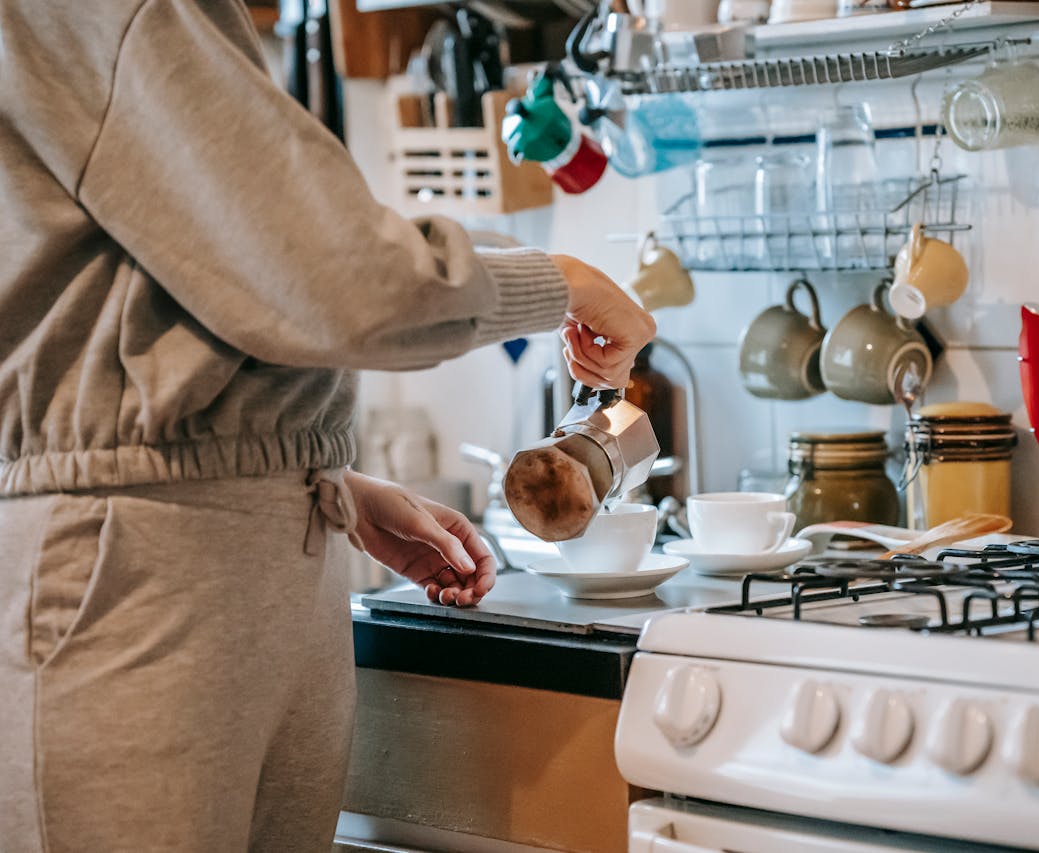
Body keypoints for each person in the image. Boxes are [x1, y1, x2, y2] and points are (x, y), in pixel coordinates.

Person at [0, 1, 656, 851]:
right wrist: (558, 281)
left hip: (236, 565)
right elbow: (335, 273)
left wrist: (307, 483)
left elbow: (183, 284)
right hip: (139, 577)